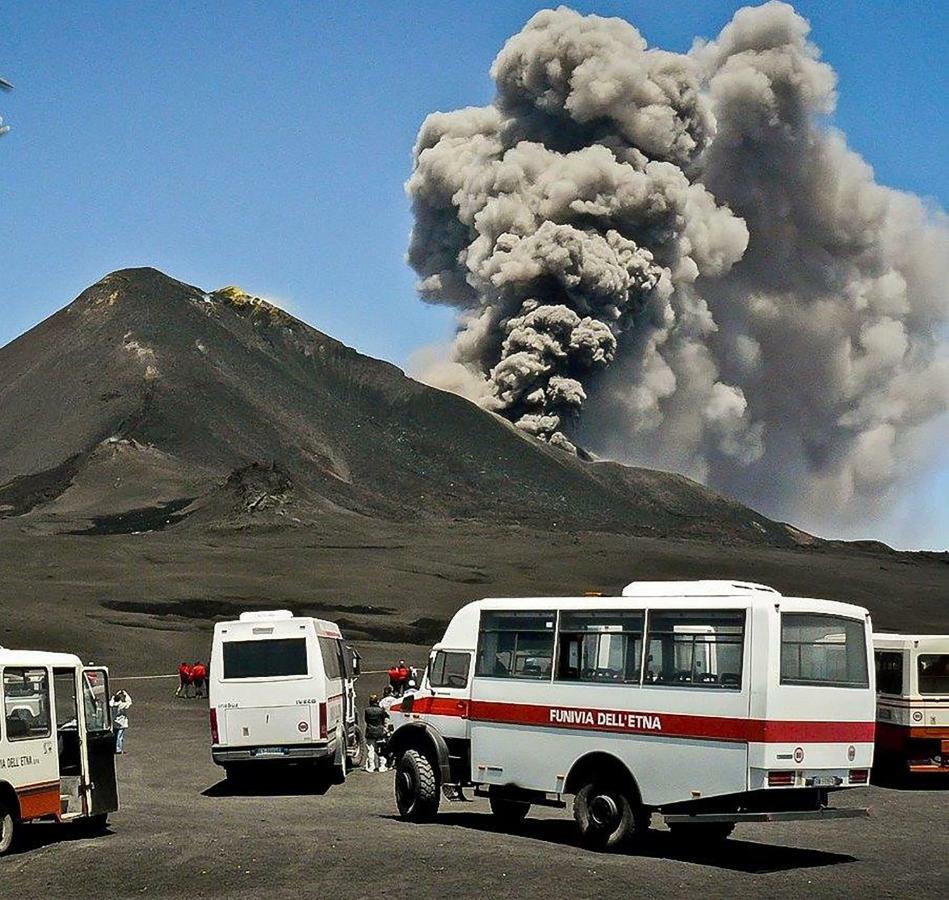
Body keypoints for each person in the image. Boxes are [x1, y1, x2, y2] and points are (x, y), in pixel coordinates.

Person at [363, 694, 389, 773]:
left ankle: (371, 766)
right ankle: (382, 766)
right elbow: (384, 720)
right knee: (381, 750)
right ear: (377, 701)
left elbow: (366, 720)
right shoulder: (381, 711)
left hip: (370, 731)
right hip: (380, 732)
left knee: (370, 750)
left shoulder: (367, 710)